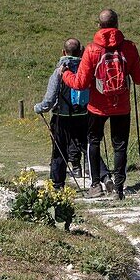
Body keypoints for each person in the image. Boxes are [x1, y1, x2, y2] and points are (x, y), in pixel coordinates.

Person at [62, 9, 140, 200]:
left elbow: (80, 83)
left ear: (99, 25)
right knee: (120, 146)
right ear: (117, 24)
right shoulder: (129, 47)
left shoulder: (92, 49)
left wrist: (65, 74)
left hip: (97, 106)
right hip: (122, 105)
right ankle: (118, 189)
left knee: (93, 142)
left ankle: (95, 185)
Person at [34, 38, 96, 189]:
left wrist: (38, 108)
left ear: (63, 52)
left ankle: (57, 184)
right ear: (81, 52)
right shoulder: (87, 68)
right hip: (84, 115)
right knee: (88, 146)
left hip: (61, 117)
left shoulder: (59, 71)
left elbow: (49, 100)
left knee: (59, 150)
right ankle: (99, 178)